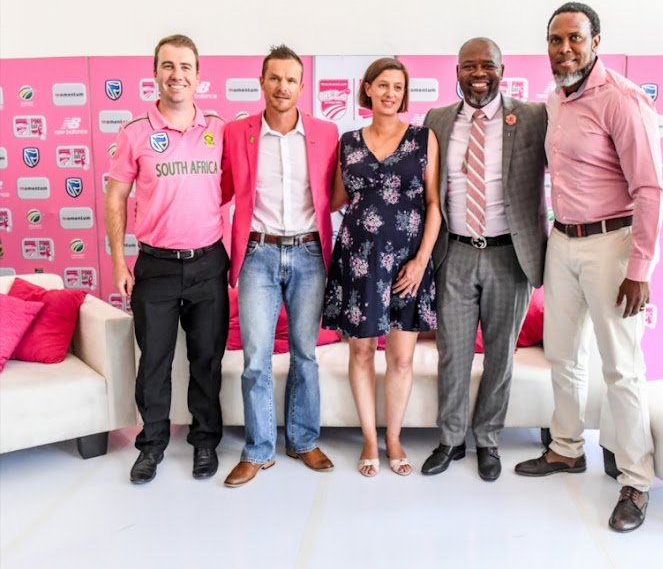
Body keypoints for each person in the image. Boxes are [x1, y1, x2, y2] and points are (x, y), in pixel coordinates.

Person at [514, 2, 663, 533]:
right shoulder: (554, 102)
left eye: (575, 38)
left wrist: (640, 267)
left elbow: (650, 189)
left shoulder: (623, 100)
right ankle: (566, 448)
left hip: (613, 245)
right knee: (562, 353)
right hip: (564, 241)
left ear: (596, 41)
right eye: (555, 40)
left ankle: (636, 480)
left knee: (621, 366)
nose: (564, 50)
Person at [420, 38, 548, 481]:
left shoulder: (532, 116)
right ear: (456, 71)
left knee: (500, 356)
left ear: (502, 69)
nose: (479, 73)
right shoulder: (436, 120)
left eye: (487, 65)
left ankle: (488, 439)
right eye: (469, 66)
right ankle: (451, 439)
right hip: (453, 251)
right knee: (452, 353)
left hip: (509, 255)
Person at [105, 34, 229, 484]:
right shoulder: (135, 132)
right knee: (153, 362)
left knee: (206, 360)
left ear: (199, 75)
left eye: (186, 67)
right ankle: (151, 445)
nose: (177, 75)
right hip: (154, 266)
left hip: (208, 263)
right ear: (155, 72)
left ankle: (204, 443)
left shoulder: (218, 127)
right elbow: (115, 197)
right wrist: (119, 261)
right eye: (168, 66)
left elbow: (229, 187)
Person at [221, 45, 339, 488]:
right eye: (275, 78)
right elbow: (222, 189)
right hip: (258, 253)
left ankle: (304, 441)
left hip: (310, 254)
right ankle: (258, 450)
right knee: (256, 359)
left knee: (306, 355)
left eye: (291, 79)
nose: (282, 87)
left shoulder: (326, 132)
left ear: (302, 87)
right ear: (262, 82)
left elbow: (336, 191)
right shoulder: (238, 133)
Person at [322, 59, 440, 477]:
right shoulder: (347, 141)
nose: (391, 93)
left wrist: (421, 260)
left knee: (402, 358)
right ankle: (370, 439)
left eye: (398, 87)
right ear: (367, 88)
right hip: (358, 261)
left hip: (409, 263)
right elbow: (336, 200)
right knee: (361, 350)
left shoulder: (424, 138)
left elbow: (433, 206)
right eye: (383, 85)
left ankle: (394, 438)